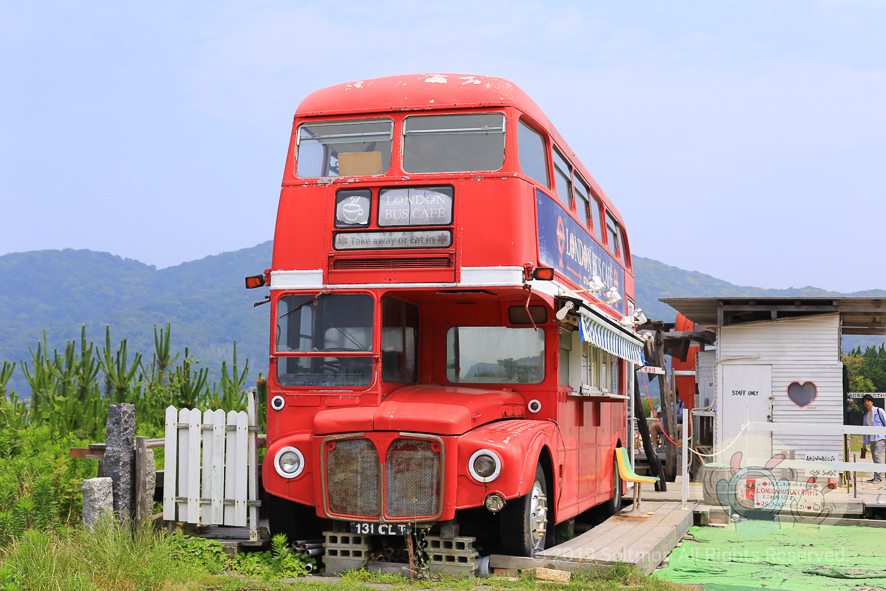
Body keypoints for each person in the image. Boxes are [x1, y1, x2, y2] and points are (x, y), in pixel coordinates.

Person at [861, 394, 886, 484]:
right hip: (872, 439)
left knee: (877, 456)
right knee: (874, 458)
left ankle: (879, 478)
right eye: (865, 402)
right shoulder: (866, 415)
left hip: (880, 438)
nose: (867, 403)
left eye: (868, 401)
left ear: (872, 402)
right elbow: (865, 430)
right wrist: (864, 443)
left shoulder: (879, 411)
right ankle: (876, 476)